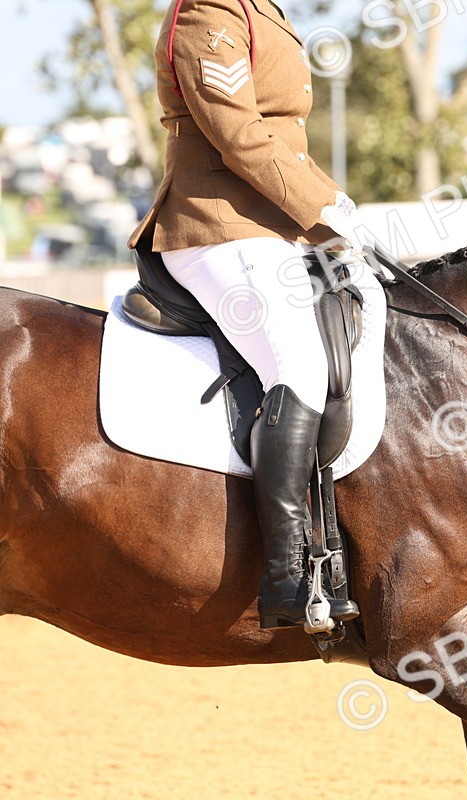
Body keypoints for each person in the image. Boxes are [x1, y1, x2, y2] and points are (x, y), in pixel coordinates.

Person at [128, 0, 363, 629]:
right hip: (214, 226)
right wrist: (322, 205)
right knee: (299, 367)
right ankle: (287, 572)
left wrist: (332, 207)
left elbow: (284, 136)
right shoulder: (206, 14)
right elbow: (238, 133)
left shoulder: (262, 9)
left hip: (273, 227)